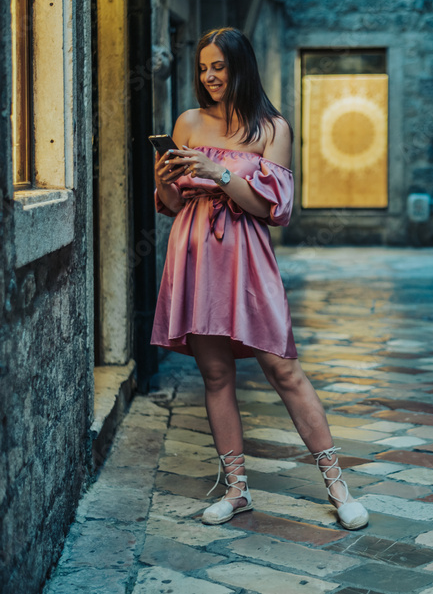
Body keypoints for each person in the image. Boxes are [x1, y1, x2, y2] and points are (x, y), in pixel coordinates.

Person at [150, 27, 369, 531]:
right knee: (217, 375)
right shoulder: (186, 122)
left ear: (240, 68)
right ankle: (236, 489)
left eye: (218, 67)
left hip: (247, 259)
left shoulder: (272, 130)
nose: (208, 77)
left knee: (283, 368)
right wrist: (165, 183)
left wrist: (218, 171)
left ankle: (337, 485)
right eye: (203, 68)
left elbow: (274, 209)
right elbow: (172, 205)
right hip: (193, 254)